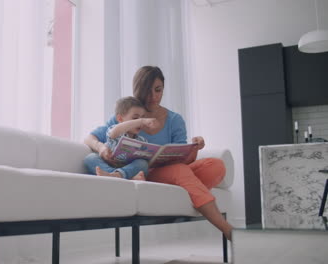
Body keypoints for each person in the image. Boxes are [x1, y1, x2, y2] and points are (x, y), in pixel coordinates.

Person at [84, 66, 234, 241]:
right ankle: (228, 230)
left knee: (216, 166)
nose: (153, 97)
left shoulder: (174, 120)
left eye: (158, 90)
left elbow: (184, 160)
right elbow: (90, 138)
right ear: (138, 90)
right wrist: (101, 148)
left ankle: (190, 191)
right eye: (148, 91)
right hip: (140, 170)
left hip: (169, 170)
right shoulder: (129, 114)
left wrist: (194, 147)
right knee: (180, 172)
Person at [84, 96, 157, 181]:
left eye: (142, 117)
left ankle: (118, 175)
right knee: (90, 158)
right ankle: (118, 175)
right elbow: (115, 131)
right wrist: (141, 121)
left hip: (127, 167)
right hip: (108, 163)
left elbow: (144, 157)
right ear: (120, 119)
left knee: (143, 164)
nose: (139, 122)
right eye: (135, 118)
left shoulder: (142, 140)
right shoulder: (114, 130)